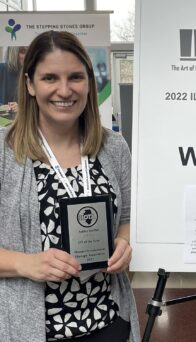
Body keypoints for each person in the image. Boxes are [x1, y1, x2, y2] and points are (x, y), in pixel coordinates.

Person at [0, 31, 140, 342]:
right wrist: (28, 264)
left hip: (108, 321)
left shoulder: (113, 147)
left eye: (75, 77)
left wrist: (123, 245)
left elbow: (129, 218)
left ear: (89, 82)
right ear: (30, 85)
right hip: (31, 329)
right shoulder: (3, 152)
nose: (65, 90)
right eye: (50, 77)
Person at [0, 46, 27, 114]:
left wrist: (21, 108)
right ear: (14, 53)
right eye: (23, 51)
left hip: (19, 119)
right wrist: (2, 107)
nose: (27, 56)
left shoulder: (30, 74)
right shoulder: (2, 68)